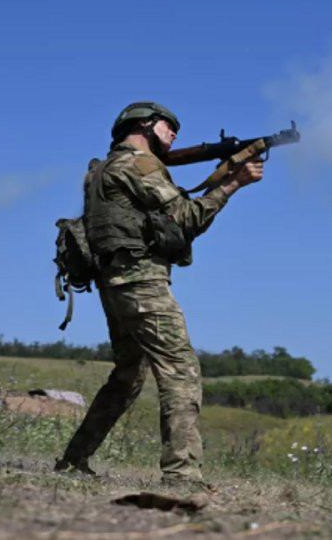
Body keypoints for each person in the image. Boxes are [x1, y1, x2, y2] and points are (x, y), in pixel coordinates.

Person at [55, 101, 263, 486]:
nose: (174, 134)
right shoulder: (139, 164)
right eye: (168, 126)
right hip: (141, 282)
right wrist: (233, 183)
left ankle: (73, 461)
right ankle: (182, 473)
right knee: (180, 370)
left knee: (128, 376)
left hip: (114, 282)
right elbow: (187, 218)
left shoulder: (101, 170)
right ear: (144, 125)